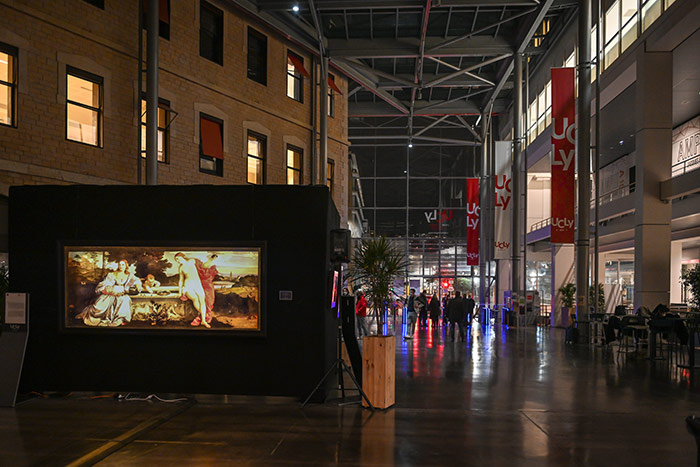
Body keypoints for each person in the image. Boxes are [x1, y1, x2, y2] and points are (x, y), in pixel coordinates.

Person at [77, 259, 142, 327]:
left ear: (126, 266)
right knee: (100, 307)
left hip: (122, 293)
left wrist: (138, 284)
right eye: (119, 264)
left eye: (123, 265)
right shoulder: (112, 274)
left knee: (124, 300)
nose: (121, 266)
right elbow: (106, 283)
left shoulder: (129, 275)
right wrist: (111, 290)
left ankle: (121, 319)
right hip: (111, 292)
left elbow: (137, 280)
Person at [175, 252, 210, 328]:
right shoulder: (181, 268)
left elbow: (202, 267)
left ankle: (203, 320)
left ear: (182, 257)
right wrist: (180, 292)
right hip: (188, 285)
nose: (177, 261)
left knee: (202, 300)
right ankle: (205, 316)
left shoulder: (192, 261)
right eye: (176, 260)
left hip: (198, 284)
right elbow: (181, 280)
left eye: (178, 259)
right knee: (195, 299)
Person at [194, 253, 219, 325]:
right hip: (201, 285)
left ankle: (206, 316)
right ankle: (202, 317)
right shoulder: (200, 270)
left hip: (208, 286)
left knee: (209, 300)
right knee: (202, 301)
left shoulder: (210, 270)